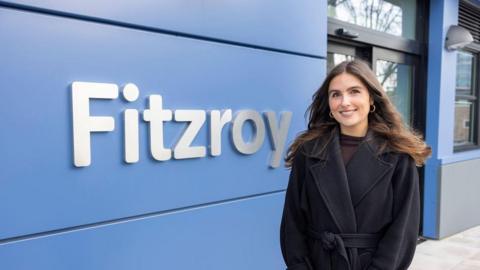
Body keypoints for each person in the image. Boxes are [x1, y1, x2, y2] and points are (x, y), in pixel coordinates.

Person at [280, 59, 431, 270]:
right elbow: (292, 222)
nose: (344, 101)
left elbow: (402, 231)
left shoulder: (398, 155)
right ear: (330, 105)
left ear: (371, 99)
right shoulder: (308, 151)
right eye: (336, 94)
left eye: (354, 92)